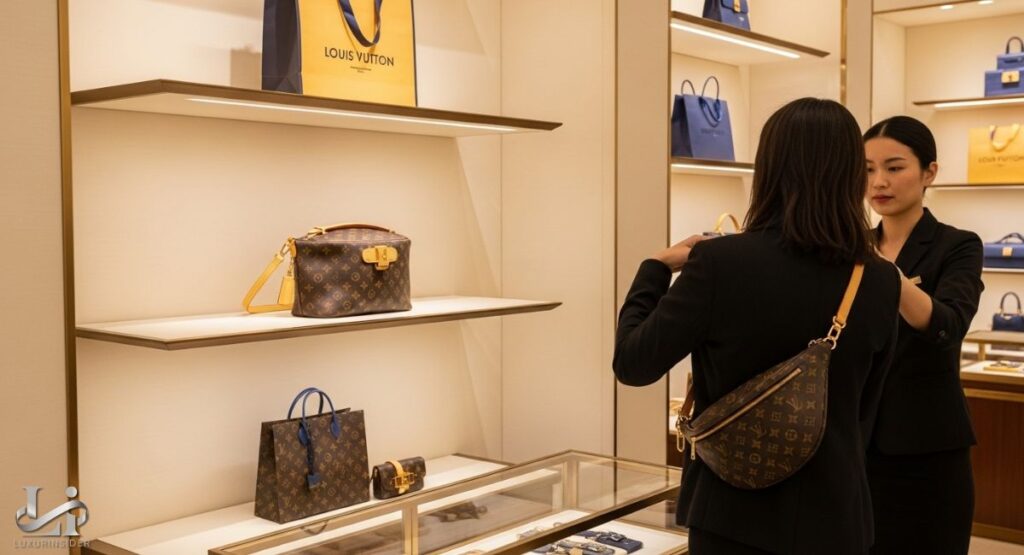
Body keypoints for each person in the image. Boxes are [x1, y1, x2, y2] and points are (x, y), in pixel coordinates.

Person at [613, 98, 901, 555]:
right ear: (851, 174)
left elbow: (633, 363)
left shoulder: (719, 264)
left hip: (733, 514)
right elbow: (866, 406)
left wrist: (653, 268)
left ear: (768, 167)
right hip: (836, 515)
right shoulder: (880, 279)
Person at [863, 115, 983, 555]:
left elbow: (946, 325)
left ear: (929, 172)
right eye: (868, 169)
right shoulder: (851, 245)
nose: (879, 182)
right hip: (853, 445)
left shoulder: (958, 245)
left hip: (927, 449)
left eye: (894, 168)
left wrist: (881, 271)